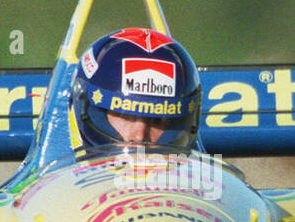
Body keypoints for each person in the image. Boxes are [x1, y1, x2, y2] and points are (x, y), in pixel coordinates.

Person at [69, 27, 201, 150]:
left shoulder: (203, 174)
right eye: (125, 115)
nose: (139, 137)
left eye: (157, 120)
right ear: (86, 112)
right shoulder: (51, 174)